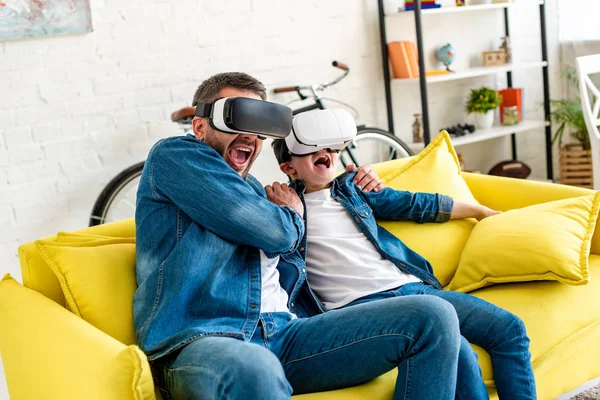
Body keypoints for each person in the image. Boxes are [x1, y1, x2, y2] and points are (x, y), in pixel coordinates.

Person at [134, 72, 465, 400]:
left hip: (287, 333)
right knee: (256, 367)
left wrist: (356, 188)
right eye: (236, 120)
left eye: (259, 127)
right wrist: (293, 213)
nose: (249, 135)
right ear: (200, 126)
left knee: (433, 316)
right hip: (207, 339)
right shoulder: (174, 157)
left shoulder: (257, 192)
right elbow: (277, 233)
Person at [270, 133, 537, 400]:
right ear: (288, 168)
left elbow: (413, 204)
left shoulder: (354, 188)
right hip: (362, 309)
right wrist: (290, 214)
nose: (322, 150)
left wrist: (481, 211)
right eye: (308, 148)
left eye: (328, 145)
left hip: (413, 289)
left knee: (510, 329)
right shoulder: (280, 209)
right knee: (461, 352)